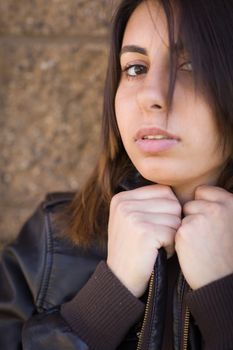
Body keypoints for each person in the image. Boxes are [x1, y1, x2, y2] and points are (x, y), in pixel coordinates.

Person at [0, 0, 233, 349]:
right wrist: (103, 301)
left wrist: (222, 302)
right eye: (136, 68)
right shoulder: (51, 240)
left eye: (191, 64)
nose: (151, 96)